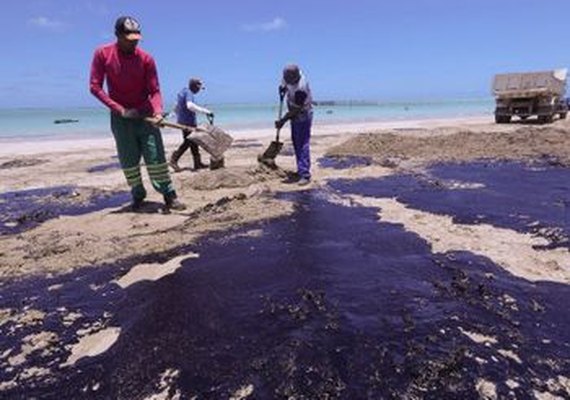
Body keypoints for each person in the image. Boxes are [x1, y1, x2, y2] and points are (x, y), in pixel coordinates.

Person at [89, 16, 185, 211]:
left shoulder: (146, 59)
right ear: (117, 35)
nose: (133, 42)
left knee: (155, 155)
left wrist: (158, 112)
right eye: (128, 38)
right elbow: (95, 87)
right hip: (121, 117)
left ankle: (169, 195)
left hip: (145, 115)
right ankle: (138, 195)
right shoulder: (103, 54)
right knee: (128, 159)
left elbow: (155, 90)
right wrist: (119, 109)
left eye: (136, 39)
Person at [275, 64, 313, 186]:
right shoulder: (288, 75)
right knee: (296, 142)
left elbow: (296, 110)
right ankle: (300, 170)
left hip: (303, 113)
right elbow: (283, 85)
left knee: (302, 143)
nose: (287, 82)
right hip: (293, 108)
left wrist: (283, 120)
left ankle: (305, 175)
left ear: (295, 78)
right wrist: (282, 88)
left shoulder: (301, 88)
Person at [169, 78, 213, 172]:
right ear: (194, 86)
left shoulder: (182, 92)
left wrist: (173, 115)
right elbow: (190, 106)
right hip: (187, 123)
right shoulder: (189, 93)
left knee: (193, 142)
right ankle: (174, 159)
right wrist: (205, 111)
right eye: (199, 88)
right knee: (188, 142)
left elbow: (176, 106)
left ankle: (197, 164)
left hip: (183, 121)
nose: (199, 90)